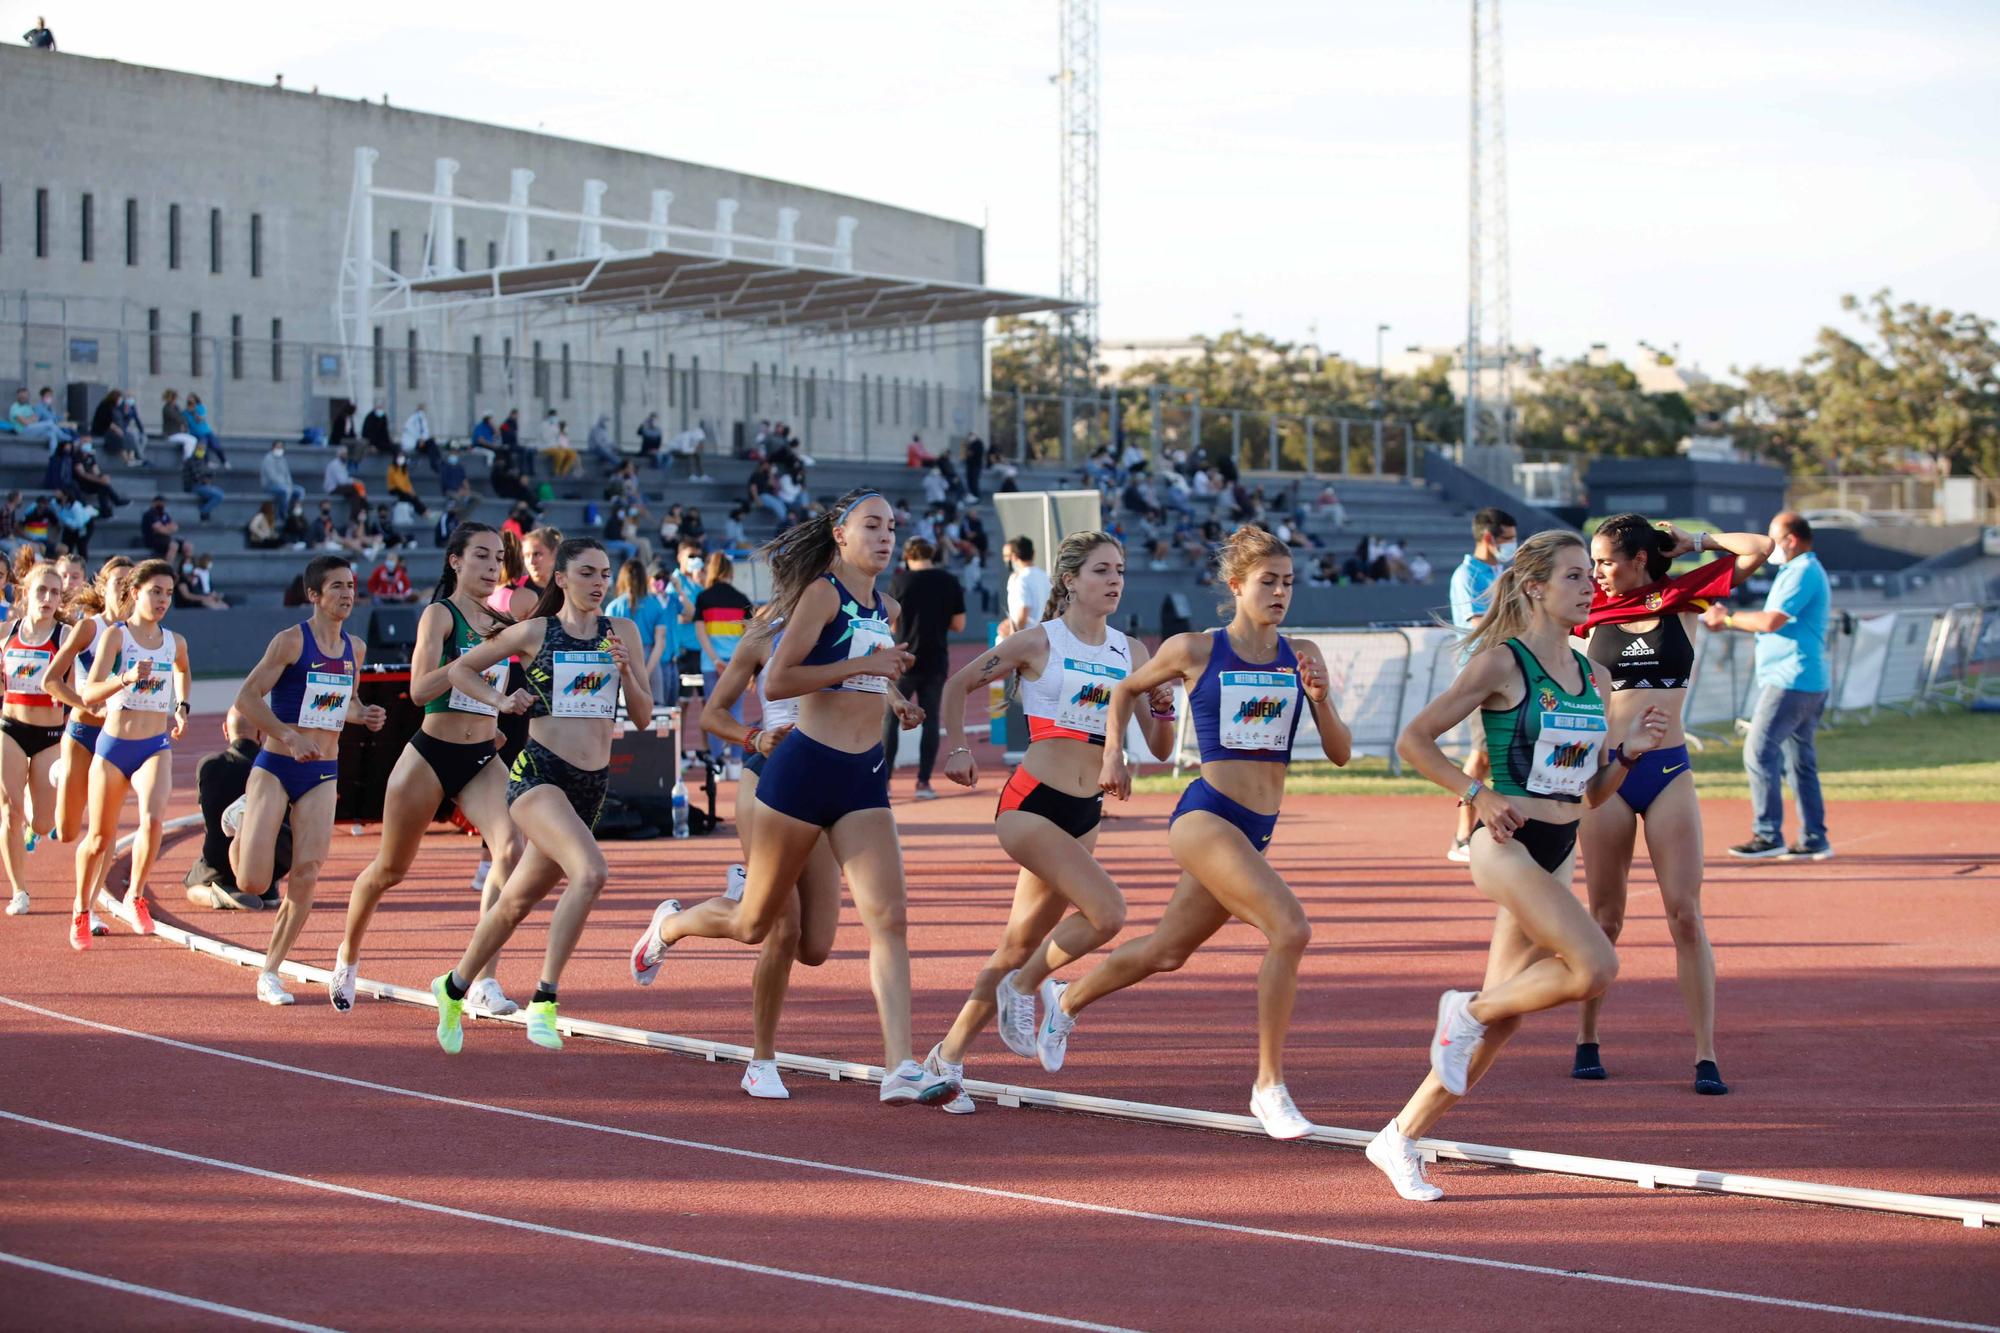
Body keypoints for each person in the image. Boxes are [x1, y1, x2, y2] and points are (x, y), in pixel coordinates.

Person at [1366, 530, 1668, 1204]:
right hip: (1504, 842)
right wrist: (1477, 792)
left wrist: (1629, 754)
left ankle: (1399, 1135)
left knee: (1506, 1018)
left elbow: (1589, 792)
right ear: (1534, 586)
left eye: (1591, 575)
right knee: (1595, 966)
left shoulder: (1596, 675)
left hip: (1561, 844)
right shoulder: (1503, 663)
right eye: (1573, 576)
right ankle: (1462, 1008)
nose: (1589, 585)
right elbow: (1413, 741)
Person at [630, 491, 953, 1106]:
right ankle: (671, 928)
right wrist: (869, 668)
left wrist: (896, 695)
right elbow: (780, 680)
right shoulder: (821, 595)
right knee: (758, 924)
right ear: (840, 534)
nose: (885, 537)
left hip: (863, 777)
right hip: (799, 773)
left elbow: (862, 670)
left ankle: (900, 1068)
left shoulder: (886, 603)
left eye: (891, 526)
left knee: (859, 930)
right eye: (872, 526)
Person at [1053, 526, 1352, 1139]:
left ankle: (1065, 1002)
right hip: (1205, 816)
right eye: (1267, 582)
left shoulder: (1302, 652)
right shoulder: (1194, 648)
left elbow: (1341, 754)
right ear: (1236, 585)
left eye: (1288, 583)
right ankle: (1269, 1088)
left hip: (1257, 827)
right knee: (1290, 928)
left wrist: (1320, 699)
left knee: (1167, 951)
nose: (1280, 593)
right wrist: (1115, 753)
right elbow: (1124, 690)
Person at [921, 531, 1178, 1111]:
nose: (1114, 581)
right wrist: (957, 747)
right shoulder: (1039, 642)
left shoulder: (1132, 652)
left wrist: (1162, 706)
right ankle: (1032, 986)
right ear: (1069, 580)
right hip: (1030, 802)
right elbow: (960, 683)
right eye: (1101, 571)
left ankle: (947, 1057)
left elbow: (1160, 748)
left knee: (1016, 944)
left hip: (1086, 812)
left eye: (1120, 570)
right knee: (1107, 912)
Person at [1576, 514, 1773, 1093]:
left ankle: (1706, 1055)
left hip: (1668, 771)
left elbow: (1759, 548)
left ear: (1640, 558)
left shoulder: (1681, 600)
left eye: (1607, 561)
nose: (1597, 573)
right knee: (1605, 918)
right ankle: (1587, 1037)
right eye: (1592, 563)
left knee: (1685, 915)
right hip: (1609, 775)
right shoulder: (1586, 611)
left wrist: (1694, 541)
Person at [430, 538, 650, 1052]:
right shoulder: (534, 632)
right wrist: (501, 699)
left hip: (590, 786)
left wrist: (627, 673)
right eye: (588, 573)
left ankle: (453, 986)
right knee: (592, 872)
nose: (599, 583)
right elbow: (460, 669)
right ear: (563, 579)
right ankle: (545, 1000)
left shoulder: (624, 633)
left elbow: (641, 715)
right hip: (538, 777)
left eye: (605, 573)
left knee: (513, 905)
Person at [333, 524, 526, 1015]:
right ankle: (348, 957)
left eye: (497, 559)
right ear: (455, 562)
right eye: (480, 556)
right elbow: (419, 690)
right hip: (431, 755)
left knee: (511, 846)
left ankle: (482, 977)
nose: (490, 567)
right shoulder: (439, 615)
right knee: (389, 870)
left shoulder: (504, 622)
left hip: (481, 757)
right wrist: (467, 665)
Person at [692, 611, 840, 1098]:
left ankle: (674, 919)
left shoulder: (853, 626)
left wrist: (899, 702)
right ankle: (761, 1060)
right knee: (781, 929)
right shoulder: (763, 636)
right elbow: (712, 713)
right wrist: (754, 737)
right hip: (768, 779)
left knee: (814, 948)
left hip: (825, 785)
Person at [232, 557, 387, 1003]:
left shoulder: (355, 649)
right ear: (314, 595)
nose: (347, 594)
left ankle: (270, 971)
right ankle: (240, 821)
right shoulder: (290, 643)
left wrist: (365, 715)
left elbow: (346, 704)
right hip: (277, 765)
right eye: (336, 586)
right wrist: (288, 735)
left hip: (323, 771)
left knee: (306, 872)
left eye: (351, 586)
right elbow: (246, 697)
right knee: (253, 884)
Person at [69, 560, 191, 950]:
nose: (163, 600)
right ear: (135, 592)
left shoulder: (175, 641)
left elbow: (183, 670)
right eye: (156, 591)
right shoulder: (117, 637)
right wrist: (123, 678)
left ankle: (135, 896)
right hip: (113, 747)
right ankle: (80, 909)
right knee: (100, 839)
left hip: (154, 746)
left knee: (154, 820)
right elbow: (88, 695)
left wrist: (183, 705)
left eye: (169, 593)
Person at [1704, 511, 1833, 861]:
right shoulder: (1801, 570)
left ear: (1791, 539)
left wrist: (1726, 619)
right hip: (1805, 678)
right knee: (1799, 760)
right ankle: (1813, 837)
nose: (1771, 545)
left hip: (1791, 681)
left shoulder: (1802, 571)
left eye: (1774, 537)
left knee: (1759, 752)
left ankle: (1768, 834)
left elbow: (1771, 621)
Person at [1444, 507, 1517, 864]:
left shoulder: (1503, 570)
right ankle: (1462, 835)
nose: (1511, 546)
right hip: (1481, 671)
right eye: (1507, 539)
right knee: (1481, 755)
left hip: (1508, 670)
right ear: (1489, 538)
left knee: (1498, 754)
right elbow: (1478, 621)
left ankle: (1488, 829)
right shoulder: (1467, 575)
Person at [0, 557, 69, 917]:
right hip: (9, 729)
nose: (47, 598)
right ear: (27, 593)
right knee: (9, 812)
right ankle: (19, 891)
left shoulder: (66, 637)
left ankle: (35, 813)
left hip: (50, 735)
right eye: (41, 590)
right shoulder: (5, 633)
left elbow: (80, 686)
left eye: (55, 593)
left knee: (43, 822)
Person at [183, 707, 291, 911]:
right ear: (260, 733)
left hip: (219, 864)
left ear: (225, 730)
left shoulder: (207, 766)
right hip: (271, 858)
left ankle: (216, 895)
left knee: (191, 884)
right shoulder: (276, 767)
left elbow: (207, 814)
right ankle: (266, 887)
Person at [881, 537, 965, 798]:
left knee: (890, 719)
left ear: (907, 556)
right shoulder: (949, 582)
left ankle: (885, 782)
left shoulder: (899, 582)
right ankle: (924, 782)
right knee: (930, 720)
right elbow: (959, 625)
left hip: (903, 659)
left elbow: (891, 625)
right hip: (935, 659)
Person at [693, 552, 754, 768]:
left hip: (712, 665)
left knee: (713, 711)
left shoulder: (703, 598)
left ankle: (717, 761)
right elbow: (750, 635)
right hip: (738, 665)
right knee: (736, 712)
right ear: (730, 572)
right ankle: (736, 761)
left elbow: (701, 633)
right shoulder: (742, 600)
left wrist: (716, 659)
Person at [605, 558, 670, 719]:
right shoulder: (655, 605)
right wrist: (646, 671)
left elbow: (606, 641)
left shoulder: (614, 606)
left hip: (621, 657)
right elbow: (660, 643)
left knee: (622, 713)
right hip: (650, 659)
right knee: (656, 713)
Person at [1001, 536, 1051, 637]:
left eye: (1007, 556)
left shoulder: (1020, 579)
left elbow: (1023, 611)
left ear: (1014, 557)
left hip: (1027, 638)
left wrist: (1014, 637)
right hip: (1044, 635)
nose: (1005, 560)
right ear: (1033, 554)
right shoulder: (1046, 576)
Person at [182, 441, 224, 522]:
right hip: (194, 486)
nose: (201, 451)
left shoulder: (202, 460)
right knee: (218, 495)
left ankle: (206, 511)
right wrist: (206, 479)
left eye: (203, 449)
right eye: (200, 449)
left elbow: (206, 474)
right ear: (195, 449)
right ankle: (203, 511)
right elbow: (197, 476)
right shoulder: (192, 460)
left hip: (201, 485)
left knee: (220, 492)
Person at [262, 440, 306, 512]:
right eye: (278, 447)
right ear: (273, 447)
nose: (279, 449)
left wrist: (289, 485)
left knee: (300, 490)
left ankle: (295, 511)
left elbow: (287, 475)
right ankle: (283, 513)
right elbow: (272, 476)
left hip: (285, 486)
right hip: (270, 486)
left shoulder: (283, 459)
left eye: (281, 447)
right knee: (284, 490)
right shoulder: (268, 459)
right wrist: (285, 486)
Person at [401, 403, 444, 472]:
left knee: (431, 444)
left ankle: (439, 461)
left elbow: (424, 432)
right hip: (413, 444)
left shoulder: (417, 418)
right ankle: (436, 463)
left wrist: (423, 439)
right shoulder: (417, 418)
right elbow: (420, 431)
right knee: (431, 443)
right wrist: (422, 439)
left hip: (416, 443)